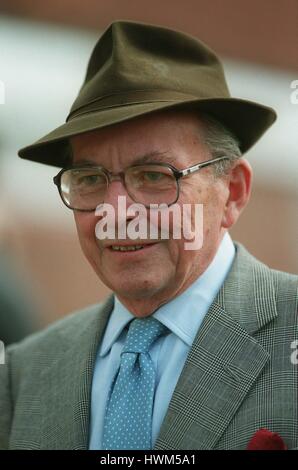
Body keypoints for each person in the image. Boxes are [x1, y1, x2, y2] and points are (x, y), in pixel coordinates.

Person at [0, 20, 297, 451]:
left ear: (232, 191)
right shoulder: (24, 372)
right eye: (89, 179)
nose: (117, 211)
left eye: (155, 176)